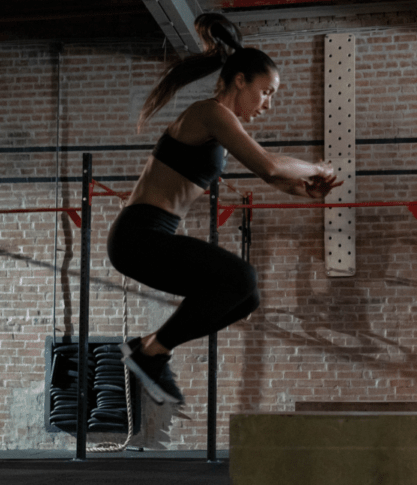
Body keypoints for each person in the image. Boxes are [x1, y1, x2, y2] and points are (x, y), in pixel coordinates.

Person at [108, 13, 341, 408]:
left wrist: (302, 190)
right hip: (139, 237)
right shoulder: (210, 113)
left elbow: (271, 176)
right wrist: (317, 167)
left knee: (245, 297)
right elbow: (267, 164)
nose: (268, 104)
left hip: (151, 237)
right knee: (241, 277)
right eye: (266, 92)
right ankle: (151, 353)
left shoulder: (218, 124)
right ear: (240, 80)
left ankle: (149, 347)